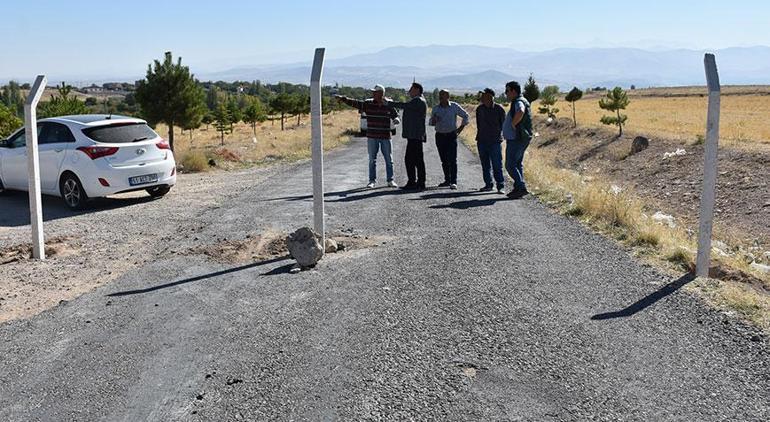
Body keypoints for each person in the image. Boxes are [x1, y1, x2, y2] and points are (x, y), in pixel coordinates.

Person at [336, 84, 399, 188]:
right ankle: (372, 181)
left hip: (385, 136)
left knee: (389, 159)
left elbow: (396, 115)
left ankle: (390, 180)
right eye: (373, 92)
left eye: (375, 92)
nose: (373, 93)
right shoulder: (368, 103)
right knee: (372, 160)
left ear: (381, 93)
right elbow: (355, 103)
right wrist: (343, 99)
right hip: (372, 136)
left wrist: (396, 120)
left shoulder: (389, 104)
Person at [388, 82, 428, 190]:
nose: (409, 91)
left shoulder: (418, 101)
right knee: (414, 159)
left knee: (414, 159)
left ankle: (417, 182)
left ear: (417, 90)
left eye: (411, 89)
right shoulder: (418, 100)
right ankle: (417, 182)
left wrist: (389, 103)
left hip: (415, 135)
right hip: (414, 135)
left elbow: (404, 105)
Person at [429, 89, 469, 190]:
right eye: (439, 95)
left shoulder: (454, 106)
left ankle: (453, 181)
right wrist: (434, 120)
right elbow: (431, 123)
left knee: (452, 159)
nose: (440, 97)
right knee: (444, 160)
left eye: (442, 95)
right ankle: (447, 180)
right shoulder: (436, 108)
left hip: (451, 135)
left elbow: (466, 115)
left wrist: (460, 128)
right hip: (440, 136)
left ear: (448, 96)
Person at [503, 81, 533, 199]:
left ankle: (521, 187)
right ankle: (518, 187)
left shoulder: (519, 101)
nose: (506, 94)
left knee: (510, 165)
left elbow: (520, 111)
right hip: (520, 138)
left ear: (513, 91)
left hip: (517, 138)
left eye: (507, 91)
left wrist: (513, 124)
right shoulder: (521, 100)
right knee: (517, 164)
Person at [474, 88, 506, 194]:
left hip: (495, 141)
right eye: (482, 97)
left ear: (491, 97)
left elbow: (503, 125)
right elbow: (479, 124)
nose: (482, 98)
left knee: (497, 165)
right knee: (485, 165)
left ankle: (500, 186)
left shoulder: (499, 109)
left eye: (485, 96)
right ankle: (488, 185)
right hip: (482, 141)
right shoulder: (479, 109)